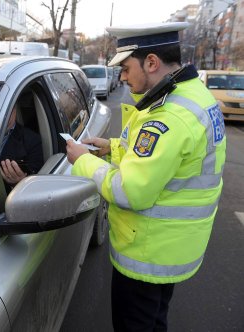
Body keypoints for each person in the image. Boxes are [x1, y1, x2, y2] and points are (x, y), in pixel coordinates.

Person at [65, 22, 226, 331]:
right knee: (154, 322)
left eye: (125, 68)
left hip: (148, 254)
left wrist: (83, 161)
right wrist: (110, 148)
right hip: (172, 249)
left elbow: (130, 192)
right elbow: (165, 160)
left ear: (151, 62)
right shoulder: (192, 95)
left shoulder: (170, 116)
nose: (122, 77)